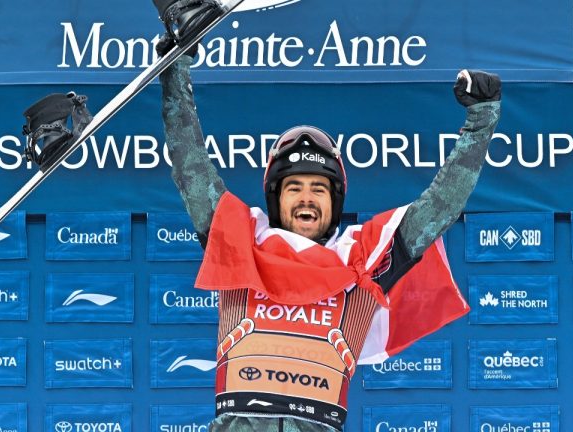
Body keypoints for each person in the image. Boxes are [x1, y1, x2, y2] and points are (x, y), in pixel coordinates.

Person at [152, 1, 501, 430]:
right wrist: (175, 72)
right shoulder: (241, 244)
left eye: (318, 189)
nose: (306, 198)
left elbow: (439, 207)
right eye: (294, 187)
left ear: (335, 202)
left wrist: (480, 122)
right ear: (275, 198)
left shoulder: (365, 263)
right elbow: (190, 166)